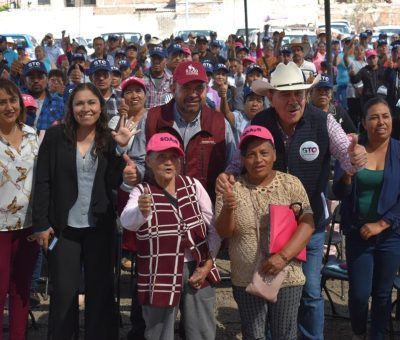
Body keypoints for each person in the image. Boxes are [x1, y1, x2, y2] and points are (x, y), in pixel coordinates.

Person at [217, 61, 368, 340]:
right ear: (271, 97)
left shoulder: (324, 121)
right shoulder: (258, 122)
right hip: (265, 224)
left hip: (308, 224)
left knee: (310, 291)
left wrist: (356, 158)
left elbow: (349, 158)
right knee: (269, 288)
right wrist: (226, 177)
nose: (294, 100)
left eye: (299, 93)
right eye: (285, 94)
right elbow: (237, 163)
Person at [30, 82, 136, 340]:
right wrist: (41, 224)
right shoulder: (55, 137)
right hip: (62, 229)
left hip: (99, 227)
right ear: (71, 107)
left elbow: (112, 182)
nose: (85, 108)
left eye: (91, 103)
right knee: (64, 291)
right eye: (79, 103)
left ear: (101, 108)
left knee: (100, 289)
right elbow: (42, 180)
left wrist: (121, 149)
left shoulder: (108, 139)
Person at [215, 125, 314, 339]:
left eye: (264, 153)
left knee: (284, 335)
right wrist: (229, 208)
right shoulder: (232, 188)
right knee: (253, 335)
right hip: (246, 277)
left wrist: (283, 257)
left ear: (275, 155)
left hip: (287, 274)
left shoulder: (290, 184)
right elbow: (224, 231)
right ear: (241, 159)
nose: (258, 159)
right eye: (250, 154)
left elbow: (308, 223)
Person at [120, 132, 221, 340]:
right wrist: (142, 210)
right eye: (161, 157)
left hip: (197, 266)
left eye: (173, 157)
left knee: (202, 331)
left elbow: (213, 227)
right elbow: (127, 221)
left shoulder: (193, 185)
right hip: (158, 271)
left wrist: (209, 263)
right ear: (148, 160)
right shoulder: (141, 191)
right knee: (159, 332)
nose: (168, 163)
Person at [332, 97, 400, 340]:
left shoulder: (399, 151)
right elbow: (339, 192)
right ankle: (359, 332)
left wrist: (382, 224)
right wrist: (349, 171)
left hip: (390, 234)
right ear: (363, 122)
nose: (381, 122)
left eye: (385, 116)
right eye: (374, 117)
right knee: (360, 294)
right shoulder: (352, 148)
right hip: (358, 233)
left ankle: (378, 335)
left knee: (382, 294)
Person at [125, 61, 236, 202]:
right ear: (173, 88)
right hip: (160, 207)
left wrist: (228, 175)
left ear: (207, 90)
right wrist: (135, 174)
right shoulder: (152, 119)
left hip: (205, 210)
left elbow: (233, 165)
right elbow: (138, 162)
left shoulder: (219, 123)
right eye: (186, 88)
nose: (193, 94)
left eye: (199, 88)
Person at [0, 79, 39, 340]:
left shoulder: (31, 134)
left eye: (12, 100)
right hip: (0, 229)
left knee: (22, 291)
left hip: (28, 226)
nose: (9, 106)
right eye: (2, 102)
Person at [22, 60, 65, 131]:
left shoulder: (58, 102)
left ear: (47, 79)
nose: (36, 80)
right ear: (25, 81)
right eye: (32, 78)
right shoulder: (18, 102)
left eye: (40, 77)